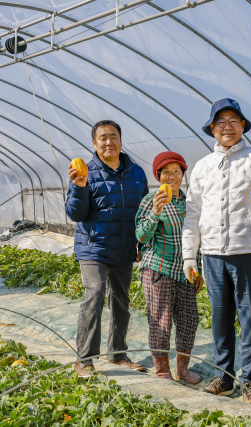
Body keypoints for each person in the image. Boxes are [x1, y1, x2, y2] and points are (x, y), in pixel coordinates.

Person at [182, 98, 251, 406]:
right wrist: (191, 256)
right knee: (220, 316)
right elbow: (192, 214)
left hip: (250, 249)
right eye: (221, 123)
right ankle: (223, 376)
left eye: (234, 122)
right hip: (213, 253)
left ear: (242, 127)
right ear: (212, 128)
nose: (227, 128)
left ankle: (250, 380)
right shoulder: (202, 167)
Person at [66, 120, 148, 378]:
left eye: (113, 136)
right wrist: (79, 187)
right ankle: (84, 360)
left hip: (124, 247)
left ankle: (117, 353)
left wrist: (142, 245)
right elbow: (74, 214)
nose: (109, 142)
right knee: (96, 293)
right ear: (94, 143)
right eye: (103, 138)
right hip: (94, 248)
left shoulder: (136, 173)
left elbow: (144, 212)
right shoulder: (84, 173)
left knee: (121, 300)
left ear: (121, 141)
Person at [135, 152, 203, 383]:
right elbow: (141, 236)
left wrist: (198, 267)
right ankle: (162, 369)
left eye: (177, 171)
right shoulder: (150, 200)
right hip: (158, 269)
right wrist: (154, 213)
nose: (172, 176)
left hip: (186, 272)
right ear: (158, 176)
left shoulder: (189, 202)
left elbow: (196, 236)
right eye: (166, 172)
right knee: (160, 321)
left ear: (183, 174)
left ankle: (182, 369)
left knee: (188, 320)